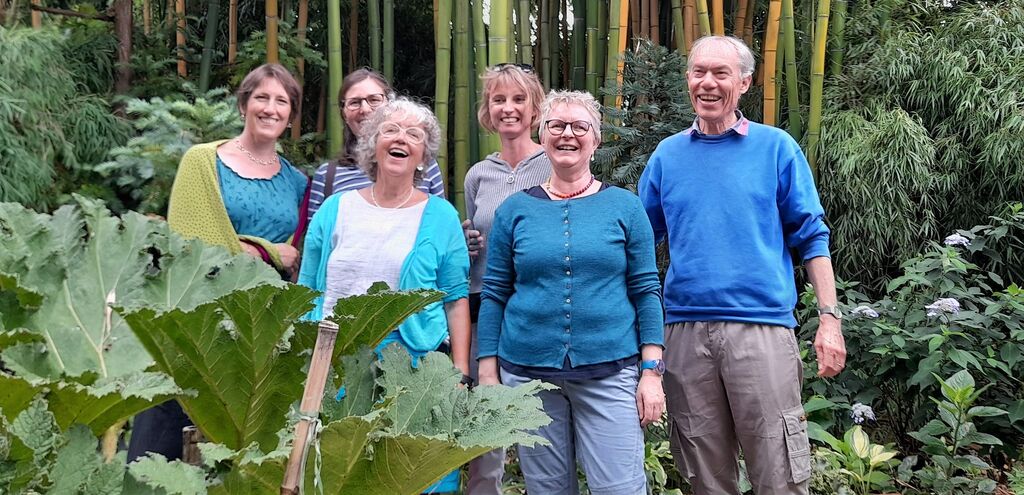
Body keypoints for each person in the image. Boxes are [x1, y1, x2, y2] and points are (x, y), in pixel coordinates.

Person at [637, 35, 847, 494]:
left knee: (779, 472)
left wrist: (829, 319)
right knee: (704, 476)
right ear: (688, 79)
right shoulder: (667, 155)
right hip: (685, 334)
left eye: (721, 73)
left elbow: (812, 237)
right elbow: (637, 244)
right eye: (699, 72)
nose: (707, 83)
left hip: (761, 329)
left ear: (745, 82)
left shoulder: (776, 148)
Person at [477, 90, 665, 495]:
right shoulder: (513, 210)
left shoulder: (626, 207)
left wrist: (651, 372)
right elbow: (494, 293)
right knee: (546, 489)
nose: (568, 134)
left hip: (610, 370)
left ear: (596, 140)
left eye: (580, 126)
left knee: (620, 489)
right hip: (527, 377)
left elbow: (646, 290)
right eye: (557, 125)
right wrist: (488, 373)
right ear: (542, 136)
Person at [129, 63, 309, 461]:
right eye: (261, 97)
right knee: (167, 428)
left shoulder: (296, 181)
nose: (270, 108)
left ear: (290, 115)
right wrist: (265, 251)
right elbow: (190, 242)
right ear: (244, 104)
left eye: (281, 101)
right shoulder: (203, 161)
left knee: (234, 435)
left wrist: (263, 254)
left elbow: (296, 258)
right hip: (198, 312)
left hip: (256, 323)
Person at [298, 97, 470, 494]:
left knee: (411, 472)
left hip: (413, 367)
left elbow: (456, 299)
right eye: (390, 130)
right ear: (372, 144)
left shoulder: (441, 216)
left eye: (414, 134)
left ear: (423, 155)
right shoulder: (335, 208)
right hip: (337, 362)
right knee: (341, 473)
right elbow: (307, 289)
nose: (401, 139)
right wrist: (304, 358)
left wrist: (460, 372)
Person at [461, 62, 550, 494]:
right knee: (485, 426)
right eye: (499, 99)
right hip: (485, 309)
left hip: (536, 309)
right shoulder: (478, 174)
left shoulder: (553, 162)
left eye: (518, 99)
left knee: (542, 423)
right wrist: (466, 243)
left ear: (535, 109)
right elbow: (477, 235)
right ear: (487, 110)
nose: (508, 108)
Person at [306, 68, 445, 223]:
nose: (365, 109)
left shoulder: (423, 164)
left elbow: (440, 225)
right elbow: (318, 234)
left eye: (374, 100)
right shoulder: (327, 175)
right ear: (344, 114)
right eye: (354, 102)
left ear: (390, 104)